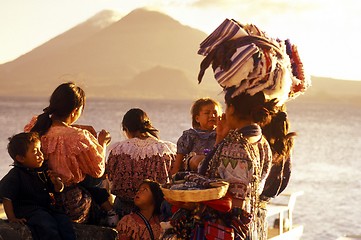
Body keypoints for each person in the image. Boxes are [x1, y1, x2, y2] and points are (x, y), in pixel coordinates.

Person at [195, 19, 310, 240]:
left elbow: (221, 189)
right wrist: (220, 138)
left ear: (232, 109)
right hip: (250, 225)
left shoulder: (237, 146)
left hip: (227, 229)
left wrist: (197, 166)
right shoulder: (260, 141)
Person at [24, 82, 117, 226]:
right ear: (75, 111)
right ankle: (110, 213)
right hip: (69, 205)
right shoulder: (78, 137)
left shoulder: (36, 124)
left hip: (38, 199)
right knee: (98, 179)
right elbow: (98, 170)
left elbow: (57, 130)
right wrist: (102, 143)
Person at [0, 132, 76, 240]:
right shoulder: (15, 175)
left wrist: (57, 182)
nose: (40, 154)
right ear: (21, 158)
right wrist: (12, 218)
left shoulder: (43, 171)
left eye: (40, 150)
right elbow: (7, 197)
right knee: (46, 224)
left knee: (64, 221)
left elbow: (58, 189)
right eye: (35, 152)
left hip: (46, 208)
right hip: (28, 210)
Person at [106, 108, 176, 219]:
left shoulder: (118, 149)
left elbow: (109, 177)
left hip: (123, 210)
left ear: (126, 129)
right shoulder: (164, 150)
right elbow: (172, 179)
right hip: (154, 211)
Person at [170, 98, 222, 175]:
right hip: (193, 173)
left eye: (215, 113)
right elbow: (177, 164)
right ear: (197, 118)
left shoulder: (222, 134)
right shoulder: (190, 136)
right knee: (199, 160)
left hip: (217, 170)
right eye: (207, 113)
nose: (212, 116)